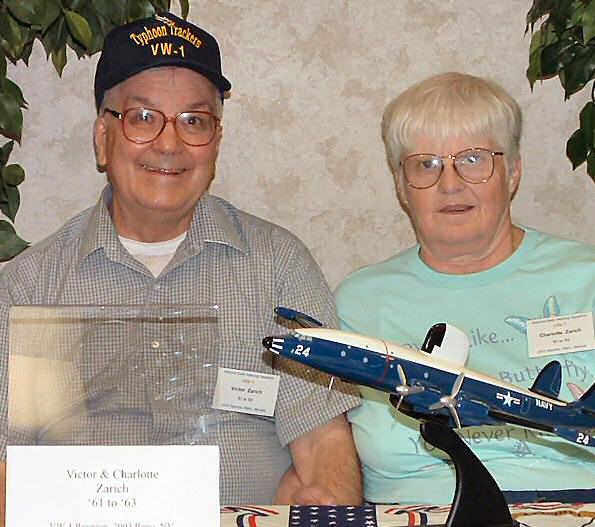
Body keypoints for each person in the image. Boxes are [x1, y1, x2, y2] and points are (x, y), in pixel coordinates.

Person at [0, 12, 362, 511]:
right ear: (103, 139)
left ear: (216, 142)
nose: (169, 144)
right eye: (143, 118)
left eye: (194, 121)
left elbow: (324, 446)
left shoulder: (279, 266)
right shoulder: (31, 288)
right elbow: (6, 468)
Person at [335, 72, 595, 504]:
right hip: (421, 512)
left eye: (473, 159)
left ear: (512, 173)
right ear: (401, 186)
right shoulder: (358, 303)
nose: (450, 183)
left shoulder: (588, 278)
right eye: (426, 164)